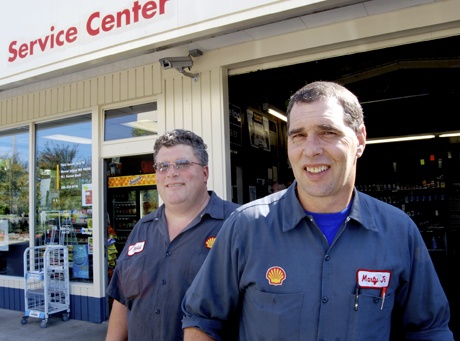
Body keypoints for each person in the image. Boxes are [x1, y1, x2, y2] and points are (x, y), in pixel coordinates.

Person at [181, 81, 454, 340]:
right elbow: (202, 320)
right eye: (298, 136)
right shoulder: (246, 227)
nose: (311, 150)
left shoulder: (398, 231)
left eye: (328, 132)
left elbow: (429, 329)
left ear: (360, 140)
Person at [105, 129, 239, 341]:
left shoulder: (239, 224)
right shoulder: (142, 228)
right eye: (162, 166)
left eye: (183, 164)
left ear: (205, 173)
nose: (171, 173)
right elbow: (123, 300)